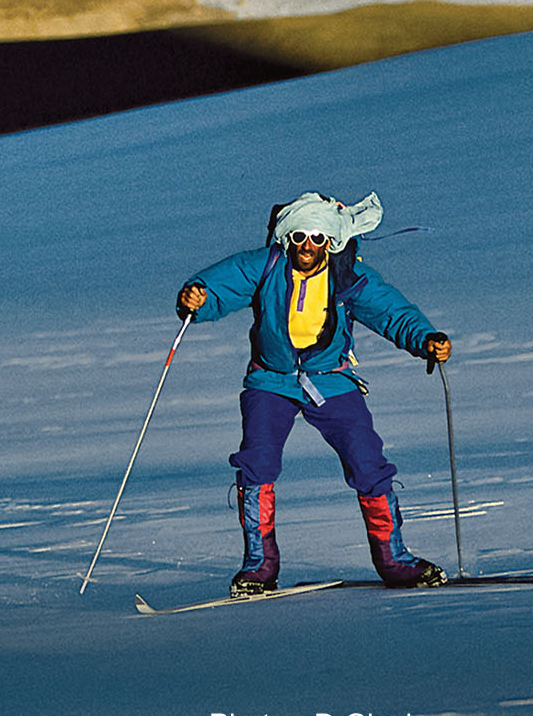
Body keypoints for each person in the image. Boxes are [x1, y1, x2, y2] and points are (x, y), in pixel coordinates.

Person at [176, 191, 453, 597]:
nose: (308, 246)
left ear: (332, 242)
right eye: (301, 235)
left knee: (368, 461)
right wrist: (196, 298)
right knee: (257, 464)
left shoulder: (347, 274)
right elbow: (219, 287)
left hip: (330, 380)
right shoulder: (266, 265)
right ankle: (259, 567)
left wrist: (426, 339)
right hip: (271, 380)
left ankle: (394, 561)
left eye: (319, 238)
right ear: (288, 236)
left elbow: (389, 310)